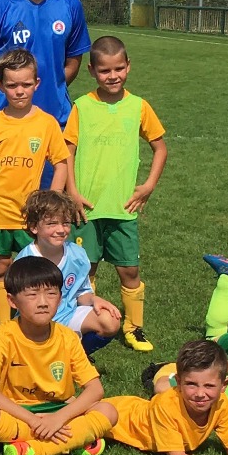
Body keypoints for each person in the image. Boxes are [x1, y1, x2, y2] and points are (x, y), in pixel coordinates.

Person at [0, 254, 114, 455]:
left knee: (108, 410)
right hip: (16, 412)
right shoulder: (3, 336)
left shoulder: (67, 337)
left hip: (58, 409)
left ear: (60, 298)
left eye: (51, 294)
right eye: (32, 295)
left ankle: (31, 449)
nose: (43, 302)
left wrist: (58, 419)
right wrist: (33, 421)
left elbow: (95, 389)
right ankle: (74, 441)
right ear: (12, 300)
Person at [64, 35, 166, 352]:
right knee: (86, 269)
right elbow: (67, 151)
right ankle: (84, 324)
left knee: (129, 270)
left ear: (128, 66)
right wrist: (72, 192)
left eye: (119, 69)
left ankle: (134, 328)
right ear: (92, 71)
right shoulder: (82, 106)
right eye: (105, 70)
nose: (113, 76)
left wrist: (148, 186)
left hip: (123, 208)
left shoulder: (139, 106)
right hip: (86, 208)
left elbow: (160, 147)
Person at [0, 50, 70, 326]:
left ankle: (38, 319)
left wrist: (52, 200)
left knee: (37, 267)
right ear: (0, 86)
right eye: (12, 85)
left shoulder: (47, 123)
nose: (19, 91)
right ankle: (5, 326)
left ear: (37, 84)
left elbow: (61, 163)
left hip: (29, 215)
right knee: (1, 266)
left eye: (26, 84)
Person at [102, 338, 228, 455]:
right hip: (114, 415)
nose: (200, 394)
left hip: (119, 410)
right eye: (191, 384)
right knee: (87, 428)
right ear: (179, 382)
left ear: (223, 385)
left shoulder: (221, 404)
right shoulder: (166, 406)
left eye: (209, 386)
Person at [13, 189, 120, 351]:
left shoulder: (77, 254)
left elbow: (81, 293)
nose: (61, 230)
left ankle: (76, 355)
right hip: (34, 322)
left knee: (109, 320)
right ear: (34, 227)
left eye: (65, 223)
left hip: (68, 314)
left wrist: (94, 300)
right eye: (52, 224)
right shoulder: (25, 262)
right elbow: (22, 304)